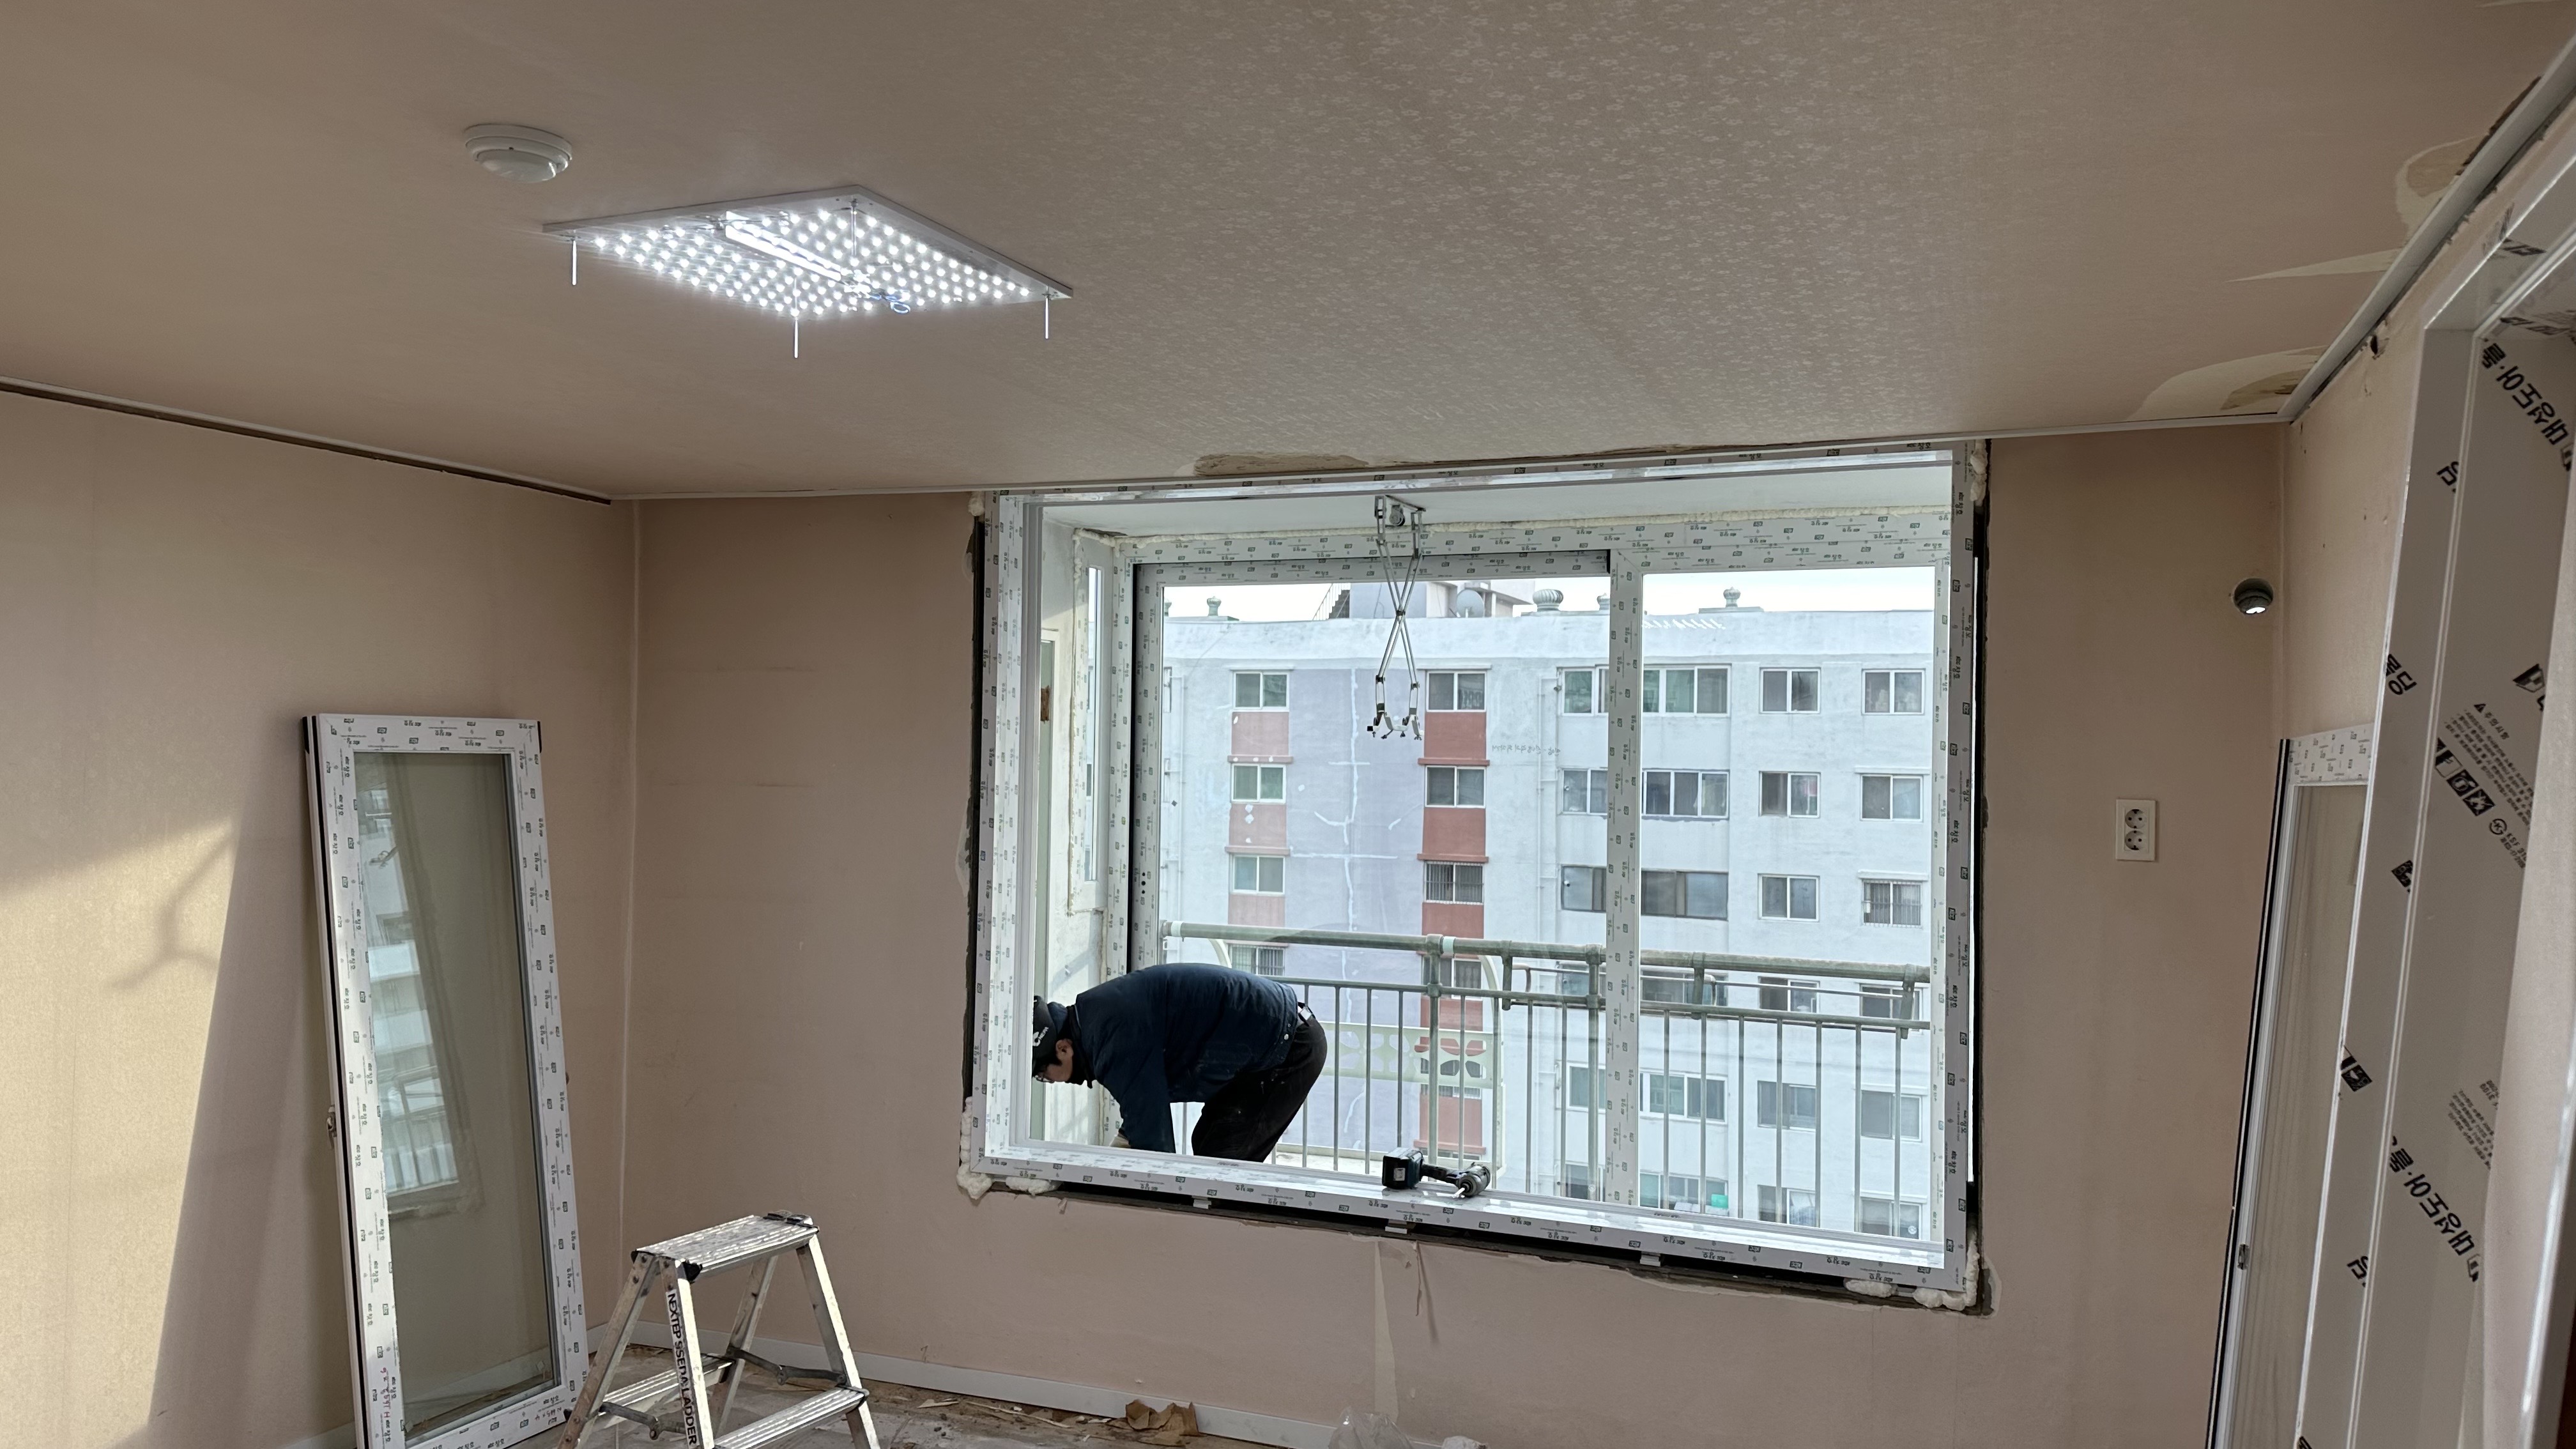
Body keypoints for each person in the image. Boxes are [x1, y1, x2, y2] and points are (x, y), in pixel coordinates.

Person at [1032, 962, 1328, 1160]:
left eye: (1043, 1075)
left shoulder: (1109, 1037)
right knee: (1208, 1145)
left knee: (1220, 1164)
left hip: (1288, 1048)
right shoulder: (1097, 1021)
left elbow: (1154, 1143)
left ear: (1063, 1049)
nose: (1049, 1082)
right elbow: (1143, 1101)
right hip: (1274, 1041)